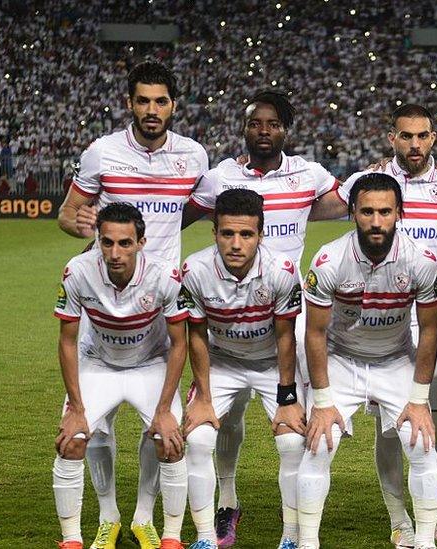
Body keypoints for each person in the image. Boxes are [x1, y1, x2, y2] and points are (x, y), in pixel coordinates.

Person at [56, 60, 209, 549]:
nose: (151, 110)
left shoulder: (194, 156)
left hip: (162, 301)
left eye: (160, 101)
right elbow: (66, 214)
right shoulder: (102, 153)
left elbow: (197, 213)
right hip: (106, 293)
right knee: (93, 427)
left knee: (157, 424)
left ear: (173, 106)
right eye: (142, 100)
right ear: (129, 103)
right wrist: (85, 230)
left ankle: (145, 517)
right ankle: (107, 517)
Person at [181, 90, 339, 548]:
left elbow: (348, 204)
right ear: (244, 128)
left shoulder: (309, 174)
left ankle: (296, 532)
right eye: (255, 123)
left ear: (285, 130)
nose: (263, 131)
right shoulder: (220, 177)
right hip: (227, 317)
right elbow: (176, 217)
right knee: (223, 423)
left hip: (287, 311)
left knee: (295, 432)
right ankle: (226, 506)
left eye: (272, 124)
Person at [330, 103, 437, 546]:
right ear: (391, 137)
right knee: (390, 426)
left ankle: (427, 511)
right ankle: (400, 518)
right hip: (381, 320)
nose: (415, 144)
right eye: (406, 136)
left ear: (434, 138)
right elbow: (318, 209)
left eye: (423, 136)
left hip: (432, 318)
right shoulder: (367, 183)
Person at [296, 173, 437, 549]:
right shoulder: (329, 260)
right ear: (352, 213)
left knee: (422, 443)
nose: (376, 221)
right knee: (319, 444)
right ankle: (307, 542)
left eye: (384, 212)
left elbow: (429, 331)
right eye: (367, 212)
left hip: (394, 359)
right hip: (340, 360)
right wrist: (324, 404)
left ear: (400, 213)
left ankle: (425, 541)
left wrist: (418, 398)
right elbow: (314, 334)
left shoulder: (423, 261)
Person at [52, 203, 189, 549]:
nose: (115, 253)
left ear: (141, 242)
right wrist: (77, 410)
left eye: (125, 243)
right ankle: (89, 530)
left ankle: (158, 529)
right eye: (107, 242)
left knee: (169, 442)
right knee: (72, 441)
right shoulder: (77, 272)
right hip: (98, 363)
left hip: (150, 364)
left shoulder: (164, 276)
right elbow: (67, 342)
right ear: (98, 240)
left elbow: (179, 344)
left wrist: (163, 411)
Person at [181, 189, 306, 549]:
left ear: (261, 234)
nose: (236, 244)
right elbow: (197, 336)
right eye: (227, 234)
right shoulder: (195, 270)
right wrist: (203, 396)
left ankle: (292, 536)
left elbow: (287, 337)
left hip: (271, 364)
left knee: (292, 441)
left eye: (246, 234)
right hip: (222, 362)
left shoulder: (282, 271)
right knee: (199, 438)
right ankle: (207, 534)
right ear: (214, 233)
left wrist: (288, 398)